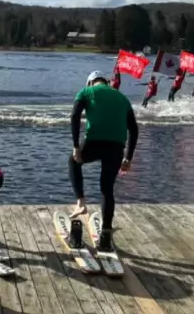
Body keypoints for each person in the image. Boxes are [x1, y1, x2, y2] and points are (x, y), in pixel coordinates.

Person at [69, 71, 139, 251]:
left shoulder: (86, 92)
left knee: (73, 161)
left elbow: (74, 116)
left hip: (94, 142)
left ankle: (81, 202)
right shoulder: (122, 97)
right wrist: (128, 157)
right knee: (107, 189)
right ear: (106, 82)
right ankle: (106, 237)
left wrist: (76, 146)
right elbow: (134, 129)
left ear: (90, 82)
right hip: (116, 147)